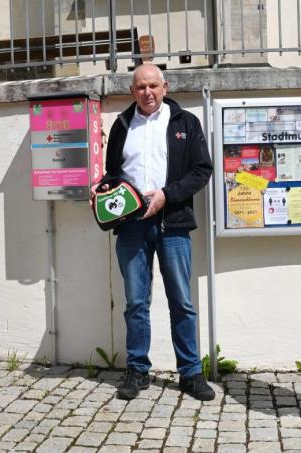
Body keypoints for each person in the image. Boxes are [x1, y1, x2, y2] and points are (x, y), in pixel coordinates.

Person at [93, 63, 215, 401]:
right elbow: (113, 173)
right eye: (140, 87)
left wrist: (166, 195)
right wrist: (102, 190)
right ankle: (137, 370)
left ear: (165, 87)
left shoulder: (185, 122)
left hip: (173, 223)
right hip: (131, 225)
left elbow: (201, 170)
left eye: (153, 86)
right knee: (135, 302)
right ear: (132, 91)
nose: (147, 92)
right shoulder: (122, 124)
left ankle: (190, 373)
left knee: (182, 301)